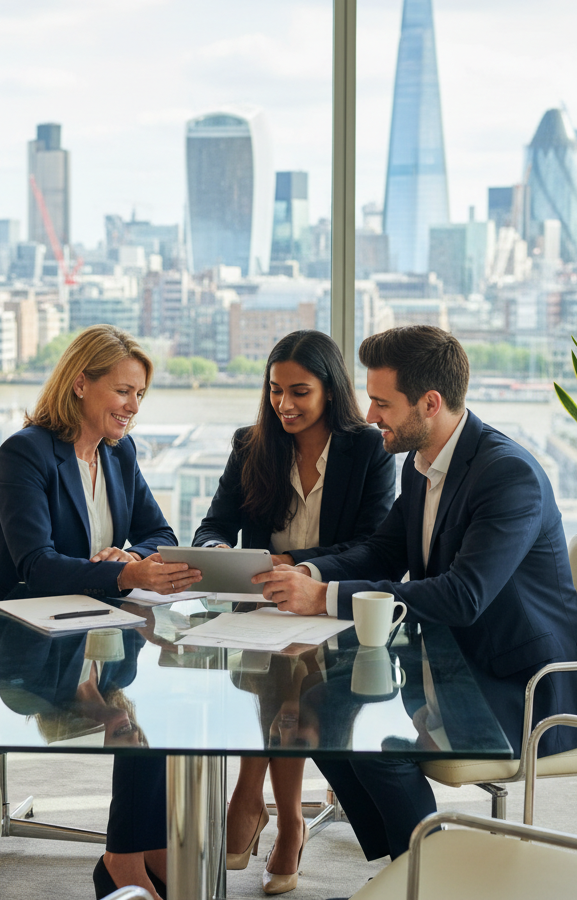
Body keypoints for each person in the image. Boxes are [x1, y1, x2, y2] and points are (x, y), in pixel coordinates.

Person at [253, 324, 577, 864]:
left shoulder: (508, 476)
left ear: (430, 403)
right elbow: (380, 552)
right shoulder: (424, 463)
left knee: (376, 747)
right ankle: (404, 867)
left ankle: (428, 873)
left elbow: (463, 597)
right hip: (455, 662)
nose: (370, 416)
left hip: (525, 688)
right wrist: (302, 571)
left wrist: (323, 596)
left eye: (381, 403)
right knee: (322, 706)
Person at [0, 324, 199, 900]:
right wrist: (123, 573)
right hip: (17, 642)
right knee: (137, 727)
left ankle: (141, 848)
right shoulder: (25, 453)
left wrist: (130, 554)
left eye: (140, 395)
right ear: (81, 384)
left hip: (95, 634)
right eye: (123, 392)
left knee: (161, 711)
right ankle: (124, 861)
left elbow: (160, 531)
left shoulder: (118, 451)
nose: (133, 407)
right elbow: (35, 563)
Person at [193, 329, 394, 895]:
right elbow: (213, 524)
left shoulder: (368, 451)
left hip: (330, 604)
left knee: (289, 682)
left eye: (299, 391)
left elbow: (372, 545)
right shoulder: (251, 444)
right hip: (258, 607)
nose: (284, 404)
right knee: (280, 676)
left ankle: (252, 798)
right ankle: (286, 822)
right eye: (276, 390)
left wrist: (292, 562)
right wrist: (215, 552)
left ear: (330, 390)